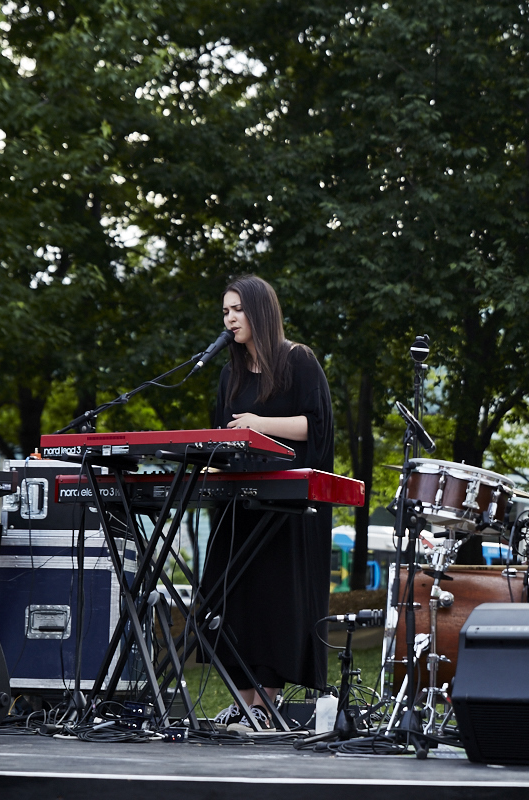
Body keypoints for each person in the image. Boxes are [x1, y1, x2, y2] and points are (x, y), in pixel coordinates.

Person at [199, 275, 334, 730]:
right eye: (225, 312)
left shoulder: (299, 360)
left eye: (237, 309)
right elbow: (221, 436)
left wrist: (260, 423)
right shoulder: (229, 373)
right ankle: (243, 703)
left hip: (286, 509)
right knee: (233, 599)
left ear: (260, 311)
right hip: (238, 505)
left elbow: (316, 428)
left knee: (275, 602)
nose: (230, 318)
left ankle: (265, 705)